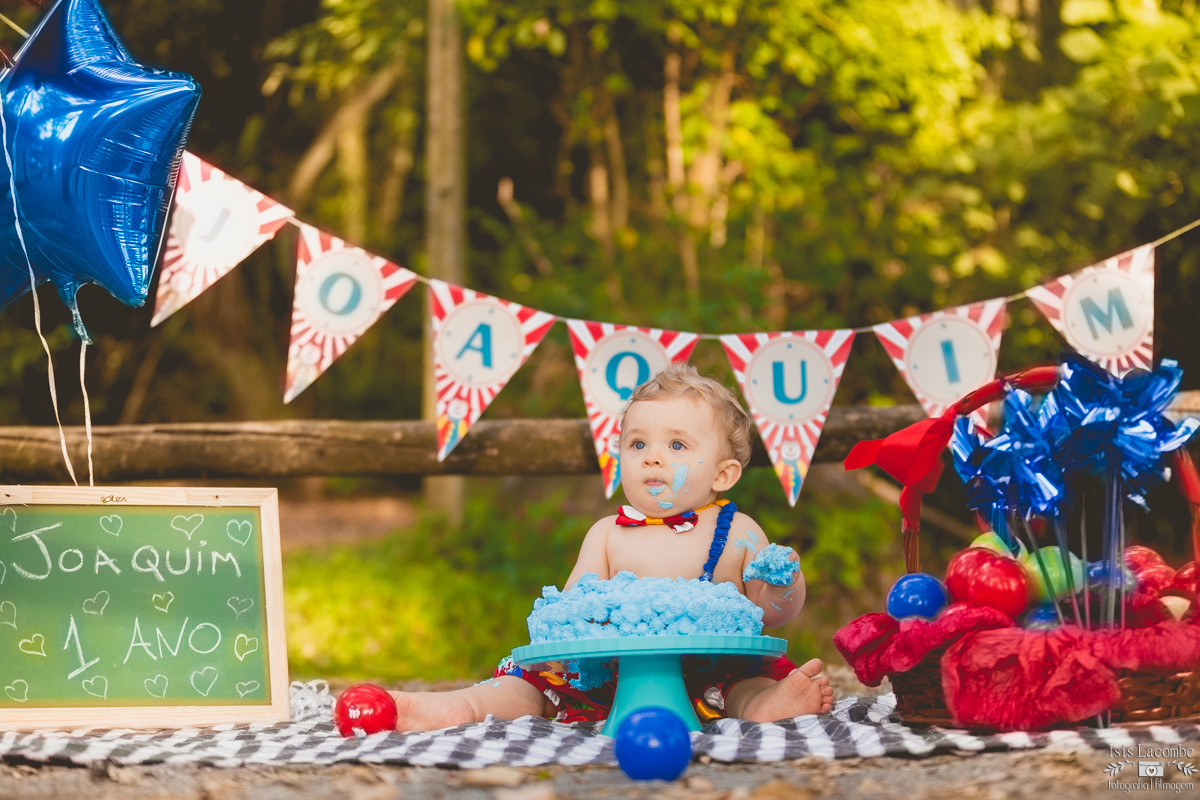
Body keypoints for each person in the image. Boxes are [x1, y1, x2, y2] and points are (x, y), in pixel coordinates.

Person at [389, 362, 834, 731]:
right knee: (525, 684)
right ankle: (459, 707)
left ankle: (765, 706)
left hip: (713, 669)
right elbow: (571, 610)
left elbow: (772, 614)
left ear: (722, 475)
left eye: (676, 444)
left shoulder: (738, 530)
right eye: (637, 442)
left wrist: (782, 584)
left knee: (747, 685)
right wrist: (567, 638)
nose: (652, 456)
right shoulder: (607, 532)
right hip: (610, 674)